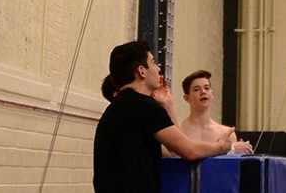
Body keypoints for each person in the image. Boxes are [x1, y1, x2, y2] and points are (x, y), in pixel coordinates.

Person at [93, 41, 234, 193]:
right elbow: (190, 151)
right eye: (153, 63)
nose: (158, 68)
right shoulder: (143, 106)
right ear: (142, 71)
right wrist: (222, 147)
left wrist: (167, 104)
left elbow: (171, 150)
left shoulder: (115, 107)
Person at [179, 69, 254, 155]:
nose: (203, 92)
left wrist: (237, 153)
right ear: (186, 98)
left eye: (206, 88)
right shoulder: (179, 131)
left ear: (212, 95)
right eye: (196, 89)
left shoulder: (227, 134)